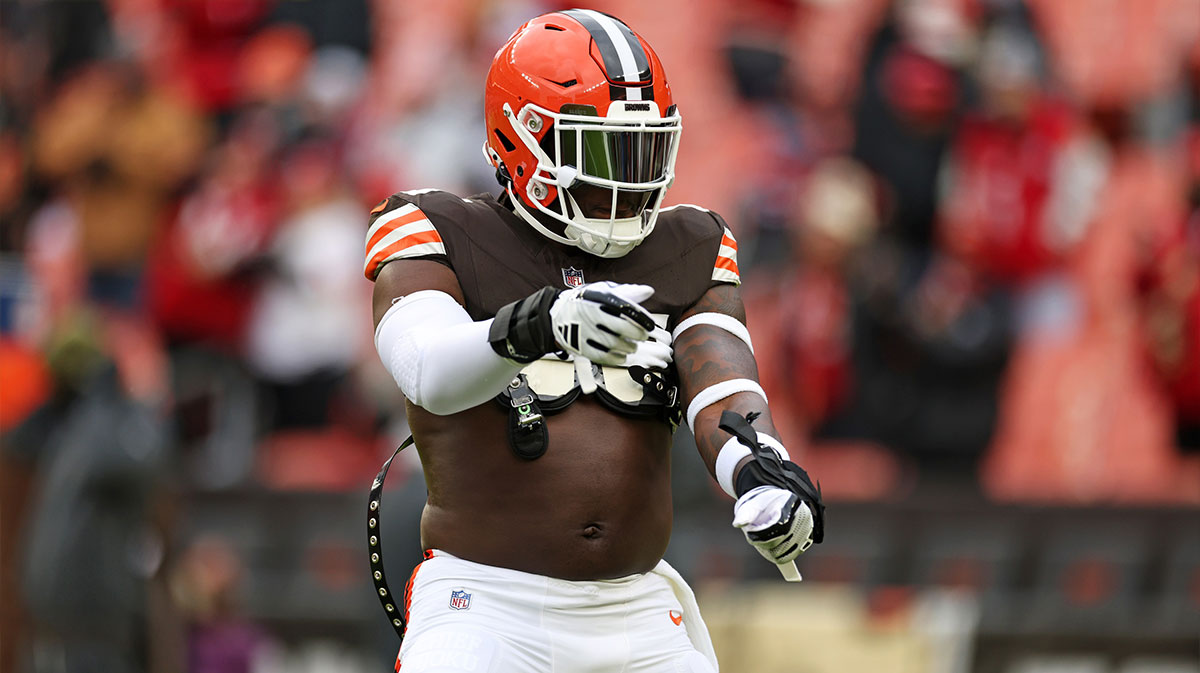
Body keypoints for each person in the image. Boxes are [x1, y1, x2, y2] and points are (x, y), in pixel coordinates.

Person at [365, 9, 825, 672]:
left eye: (644, 149)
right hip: (487, 607)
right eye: (605, 152)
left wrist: (763, 474)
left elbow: (722, 385)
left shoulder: (686, 246)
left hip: (637, 608)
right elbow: (428, 371)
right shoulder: (438, 231)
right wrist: (538, 324)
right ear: (523, 138)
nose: (629, 178)